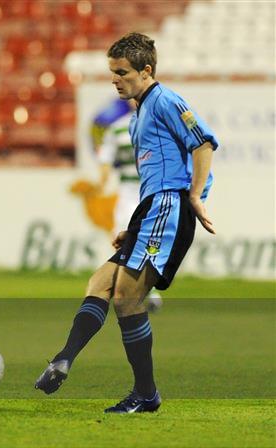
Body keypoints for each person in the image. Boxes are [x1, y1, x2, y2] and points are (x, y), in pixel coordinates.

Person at [35, 33, 218, 413]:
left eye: (122, 72)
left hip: (169, 205)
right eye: (112, 72)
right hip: (150, 209)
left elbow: (203, 144)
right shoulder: (138, 116)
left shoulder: (166, 100)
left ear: (146, 71)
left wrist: (196, 195)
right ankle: (64, 358)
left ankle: (146, 394)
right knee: (100, 283)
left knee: (126, 297)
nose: (115, 80)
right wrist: (134, 229)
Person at [96, 100, 163, 312]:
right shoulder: (117, 128)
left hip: (150, 192)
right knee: (122, 240)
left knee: (148, 242)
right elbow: (106, 158)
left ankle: (147, 290)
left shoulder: (159, 126)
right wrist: (103, 182)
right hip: (127, 193)